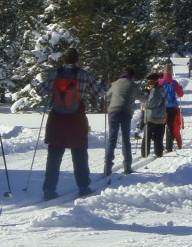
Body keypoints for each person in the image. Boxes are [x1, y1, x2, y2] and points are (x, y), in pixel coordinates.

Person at [34, 48, 104, 200]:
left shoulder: (55, 73)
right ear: (77, 59)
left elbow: (39, 91)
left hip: (56, 118)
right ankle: (84, 187)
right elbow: (99, 92)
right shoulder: (83, 74)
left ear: (63, 60)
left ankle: (49, 189)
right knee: (79, 154)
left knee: (54, 156)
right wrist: (105, 84)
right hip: (76, 118)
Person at [104, 66, 143, 176]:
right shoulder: (134, 85)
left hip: (113, 112)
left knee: (112, 138)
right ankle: (127, 167)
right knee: (126, 139)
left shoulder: (115, 83)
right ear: (132, 76)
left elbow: (106, 97)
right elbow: (143, 98)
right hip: (126, 112)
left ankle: (107, 168)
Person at [141, 72, 167, 158]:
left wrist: (144, 102)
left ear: (156, 82)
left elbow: (151, 104)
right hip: (161, 117)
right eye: (148, 83)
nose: (149, 85)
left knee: (147, 136)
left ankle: (145, 153)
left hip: (152, 117)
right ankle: (159, 153)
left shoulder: (155, 91)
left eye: (150, 83)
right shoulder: (162, 90)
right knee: (159, 137)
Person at [160, 63, 184, 152]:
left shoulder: (160, 82)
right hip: (172, 107)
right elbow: (180, 94)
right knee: (170, 125)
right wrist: (180, 89)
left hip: (162, 107)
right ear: (171, 72)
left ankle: (159, 145)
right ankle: (169, 146)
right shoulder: (174, 83)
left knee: (161, 125)